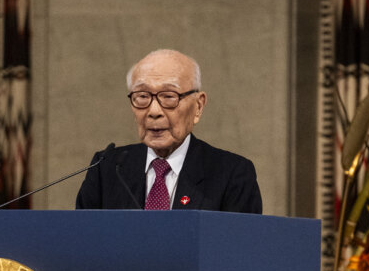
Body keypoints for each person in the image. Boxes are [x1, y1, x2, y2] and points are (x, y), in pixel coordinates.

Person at [74, 49, 262, 213]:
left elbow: (239, 249)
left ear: (198, 106)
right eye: (142, 96)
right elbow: (82, 243)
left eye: (169, 97)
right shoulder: (107, 168)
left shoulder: (232, 173)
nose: (154, 111)